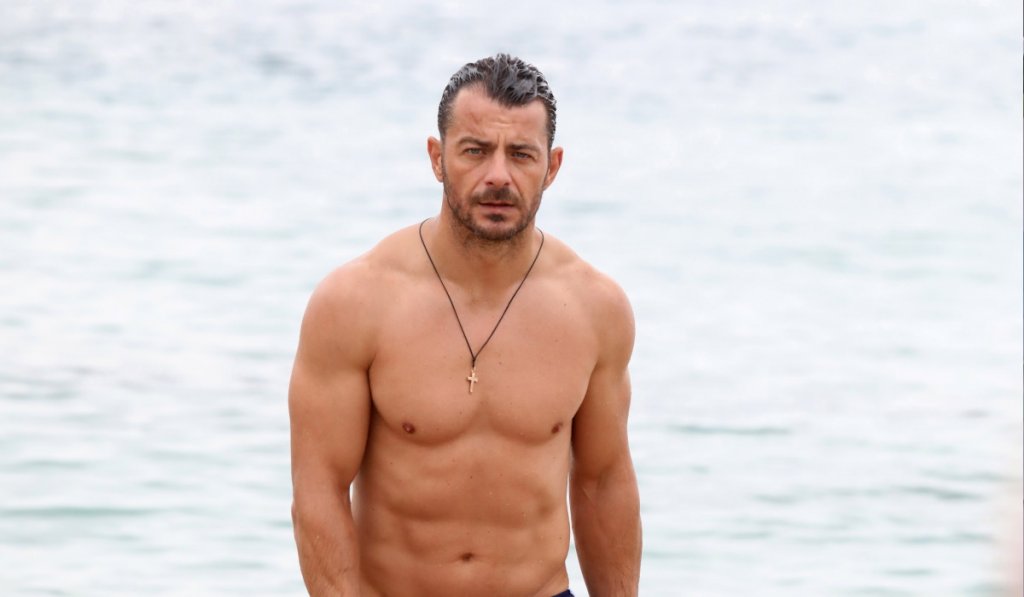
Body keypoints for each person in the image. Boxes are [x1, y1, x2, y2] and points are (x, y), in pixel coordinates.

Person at [288, 53, 641, 597]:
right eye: (475, 151)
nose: (498, 176)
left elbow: (603, 483)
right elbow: (318, 492)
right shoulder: (356, 302)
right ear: (437, 158)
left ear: (552, 167)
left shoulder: (595, 308)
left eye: (521, 154)